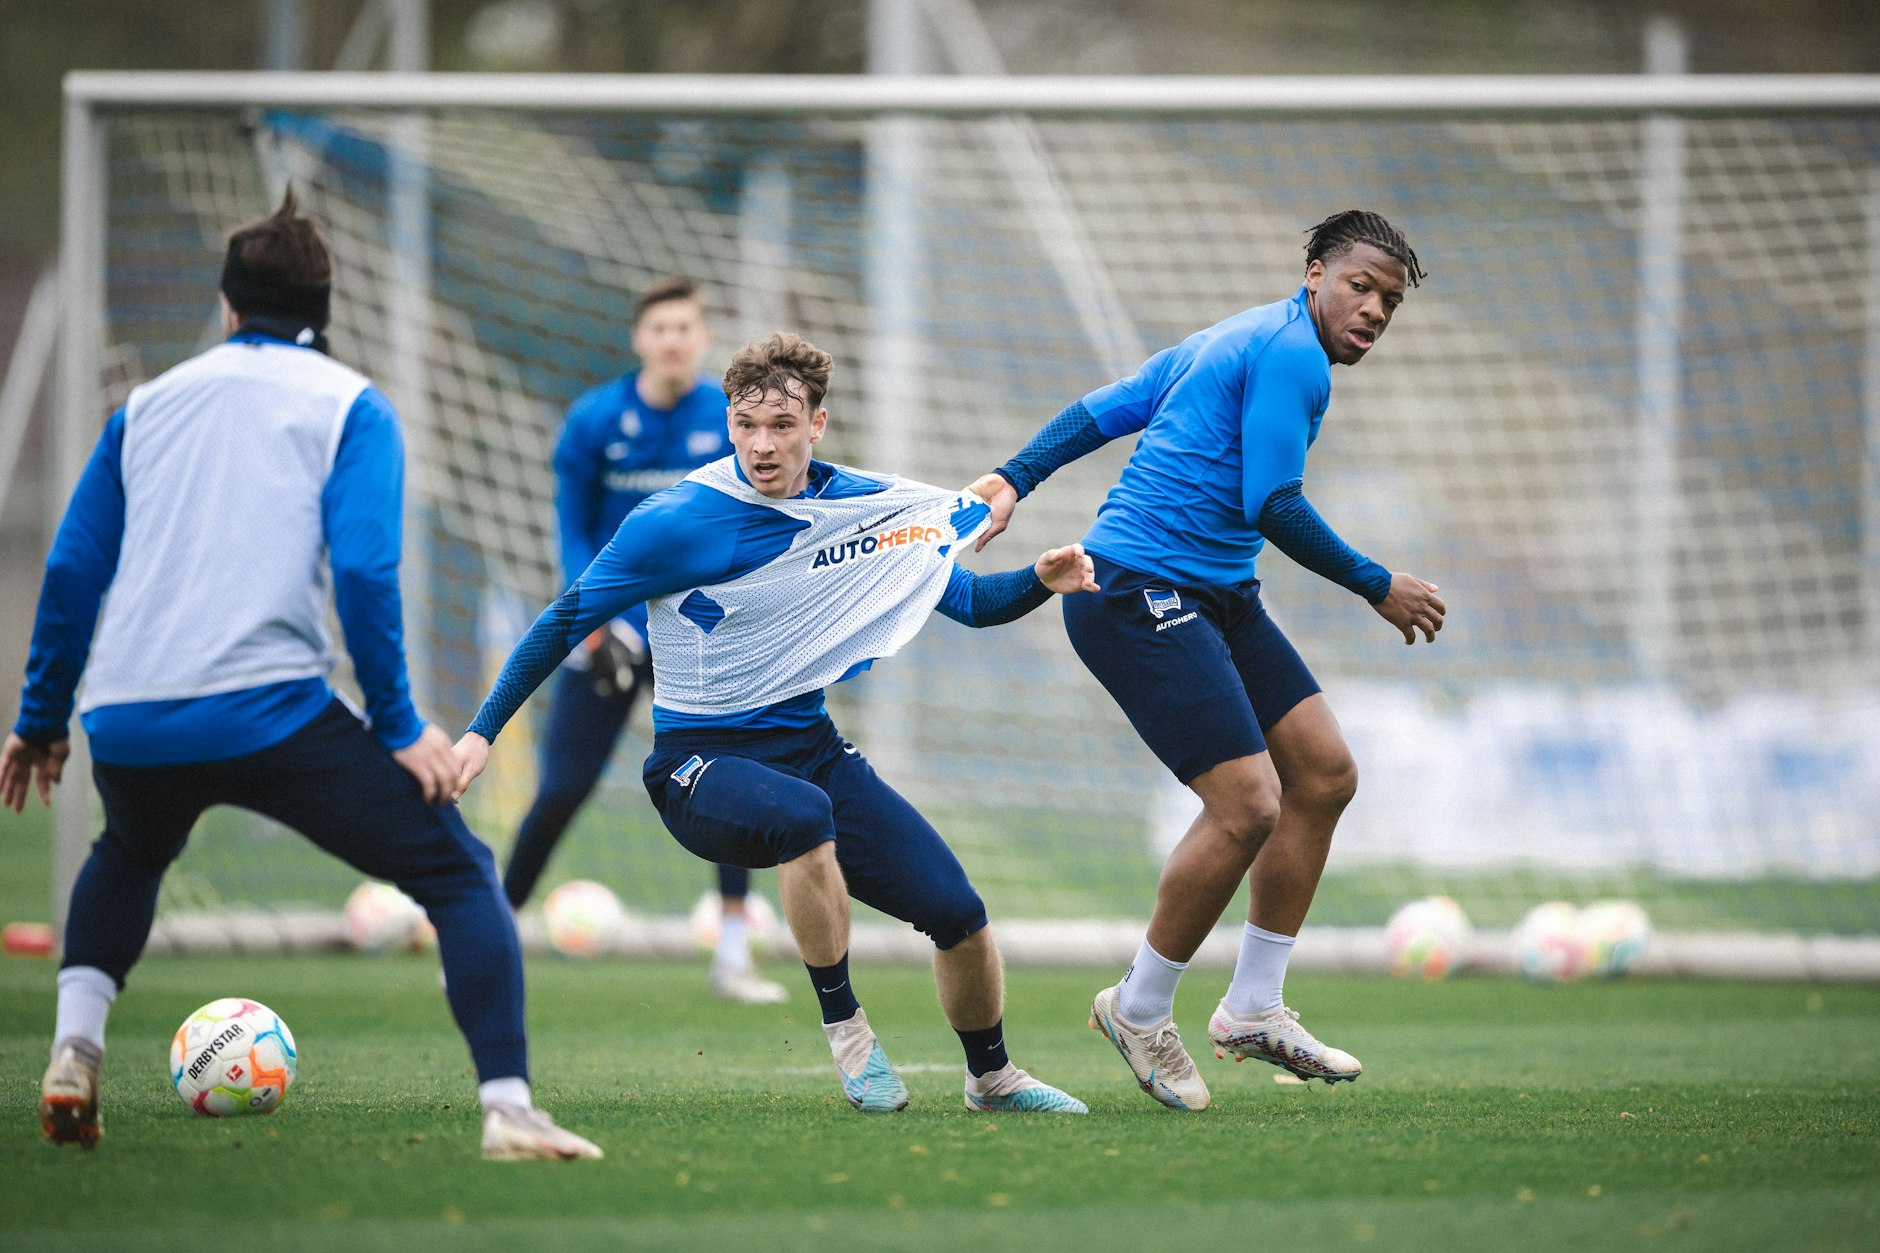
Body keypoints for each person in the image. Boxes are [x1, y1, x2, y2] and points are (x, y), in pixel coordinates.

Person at [3, 190, 599, 1160]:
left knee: (130, 850)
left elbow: (73, 568)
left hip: (130, 714)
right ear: (325, 307)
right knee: (458, 871)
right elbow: (363, 568)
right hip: (270, 711)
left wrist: (40, 718)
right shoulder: (351, 405)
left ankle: (76, 1045)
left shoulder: (143, 408)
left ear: (228, 304)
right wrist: (399, 724)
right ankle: (508, 1107)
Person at [454, 332, 1092, 1115]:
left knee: (959, 914)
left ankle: (992, 1077)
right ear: (728, 423)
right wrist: (481, 732)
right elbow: (564, 618)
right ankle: (848, 1031)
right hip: (695, 766)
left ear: (817, 424)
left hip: (812, 752)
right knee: (803, 816)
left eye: (782, 425)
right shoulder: (678, 520)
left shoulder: (862, 509)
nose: (762, 444)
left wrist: (1041, 580)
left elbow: (971, 602)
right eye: (746, 424)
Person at [968, 210, 1447, 1110]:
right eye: (1361, 286)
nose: (1375, 310)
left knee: (1324, 774)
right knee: (1249, 804)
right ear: (1315, 273)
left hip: (1217, 592)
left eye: (1389, 301)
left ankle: (1255, 1007)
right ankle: (1138, 1007)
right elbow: (1273, 503)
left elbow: (1103, 408)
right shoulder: (1291, 354)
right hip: (1136, 589)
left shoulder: (1238, 334)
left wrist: (1014, 476)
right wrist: (1376, 582)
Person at [506, 275, 786, 1005]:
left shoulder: (732, 420)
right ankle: (490, 936)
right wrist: (594, 622)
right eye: (659, 328)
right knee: (563, 787)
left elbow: (753, 521)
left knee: (730, 779)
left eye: (684, 327)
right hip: (611, 628)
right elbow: (572, 529)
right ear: (639, 338)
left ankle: (733, 956)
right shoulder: (594, 421)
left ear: (702, 338)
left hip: (698, 631)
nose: (672, 340)